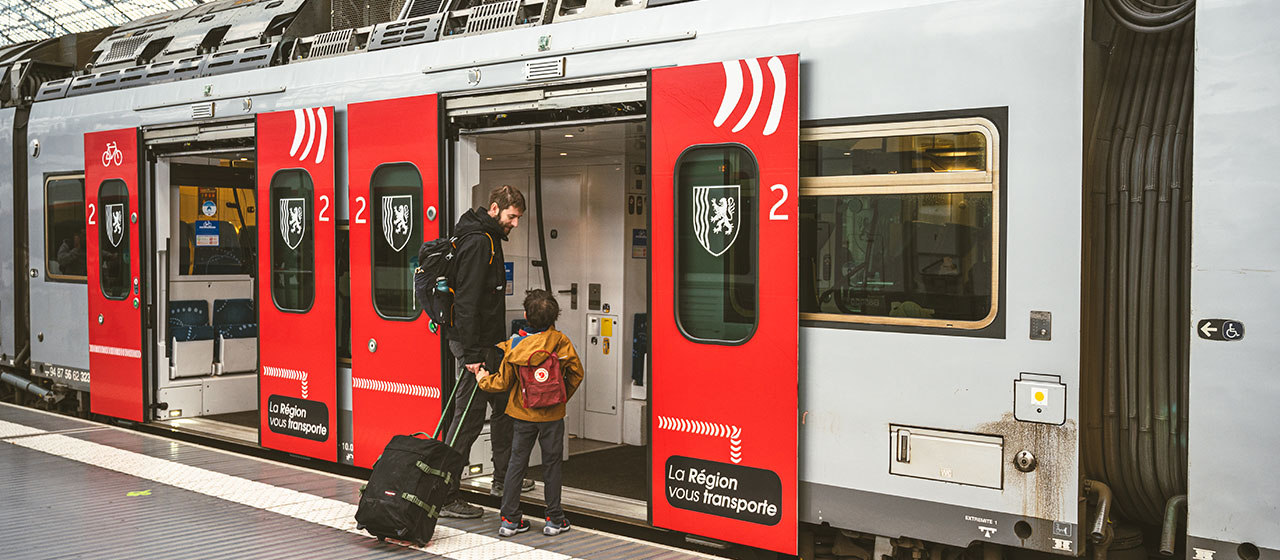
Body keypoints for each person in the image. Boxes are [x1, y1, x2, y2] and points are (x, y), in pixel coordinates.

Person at [439, 185, 529, 519]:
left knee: (505, 407)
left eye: (517, 218)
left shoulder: (487, 238)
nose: (515, 224)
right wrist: (473, 355)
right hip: (475, 347)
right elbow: (466, 303)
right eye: (512, 217)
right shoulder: (479, 242)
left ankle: (503, 478)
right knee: (468, 418)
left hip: (488, 346)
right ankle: (446, 494)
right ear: (495, 209)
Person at [476, 289, 583, 537]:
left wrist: (482, 379)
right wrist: (558, 397)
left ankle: (510, 520)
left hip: (522, 415)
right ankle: (554, 520)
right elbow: (577, 374)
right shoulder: (561, 341)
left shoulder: (516, 345)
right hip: (552, 417)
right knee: (552, 465)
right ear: (555, 317)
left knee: (516, 464)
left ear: (525, 315)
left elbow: (502, 383)